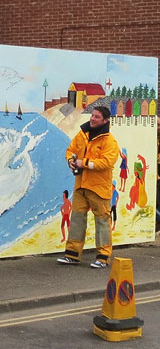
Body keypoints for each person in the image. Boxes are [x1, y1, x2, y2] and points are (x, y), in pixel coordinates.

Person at [57, 106, 119, 269]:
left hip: (99, 187)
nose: (92, 118)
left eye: (97, 117)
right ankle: (72, 254)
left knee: (102, 222)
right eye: (92, 115)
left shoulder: (109, 141)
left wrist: (83, 163)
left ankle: (103, 256)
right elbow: (70, 150)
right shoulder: (82, 134)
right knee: (77, 220)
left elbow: (106, 162)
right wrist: (70, 160)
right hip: (81, 185)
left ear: (105, 120)